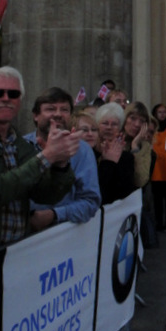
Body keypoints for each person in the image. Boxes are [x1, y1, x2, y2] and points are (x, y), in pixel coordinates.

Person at [0, 66, 79, 255]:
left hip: (18, 254)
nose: (6, 98)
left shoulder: (20, 143)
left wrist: (61, 163)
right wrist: (48, 155)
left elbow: (45, 195)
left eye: (14, 94)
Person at [24, 87, 101, 229]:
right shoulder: (21, 146)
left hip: (62, 237)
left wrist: (54, 215)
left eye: (64, 110)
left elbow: (90, 201)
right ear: (36, 115)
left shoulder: (82, 150)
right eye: (51, 109)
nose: (58, 114)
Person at [94, 102, 134, 203]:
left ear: (120, 128)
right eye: (105, 123)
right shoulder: (90, 152)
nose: (109, 127)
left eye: (114, 124)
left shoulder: (126, 158)